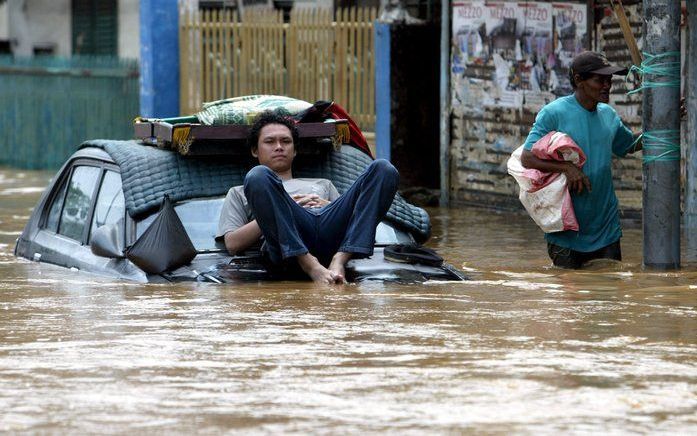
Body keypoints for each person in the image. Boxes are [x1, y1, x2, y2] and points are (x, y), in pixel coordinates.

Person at [217, 111, 399, 284]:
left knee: (383, 169)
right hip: (288, 245)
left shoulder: (323, 183)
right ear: (255, 151)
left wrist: (328, 204)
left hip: (329, 227)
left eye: (286, 141)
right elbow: (232, 244)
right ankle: (309, 264)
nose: (279, 147)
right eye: (270, 142)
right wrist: (279, 209)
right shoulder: (241, 190)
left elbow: (360, 225)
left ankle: (340, 259)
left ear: (295, 150)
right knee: (257, 174)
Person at [520, 51, 642, 269]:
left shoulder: (609, 115)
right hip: (565, 230)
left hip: (606, 227)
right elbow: (527, 158)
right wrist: (566, 167)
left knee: (609, 291)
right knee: (571, 298)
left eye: (609, 80)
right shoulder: (553, 113)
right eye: (600, 80)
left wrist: (665, 122)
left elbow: (629, 145)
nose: (607, 86)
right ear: (579, 80)